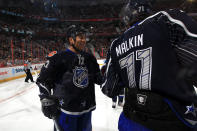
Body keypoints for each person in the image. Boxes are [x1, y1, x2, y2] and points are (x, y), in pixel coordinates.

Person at [101, 0, 197, 131]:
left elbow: (109, 89)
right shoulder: (167, 19)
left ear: (127, 16)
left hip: (131, 120)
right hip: (173, 120)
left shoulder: (116, 44)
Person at [36, 25, 102, 131]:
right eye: (80, 37)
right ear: (71, 39)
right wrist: (45, 98)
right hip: (65, 111)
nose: (84, 40)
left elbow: (98, 78)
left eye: (85, 37)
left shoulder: (90, 58)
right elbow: (42, 79)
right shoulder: (58, 57)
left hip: (86, 110)